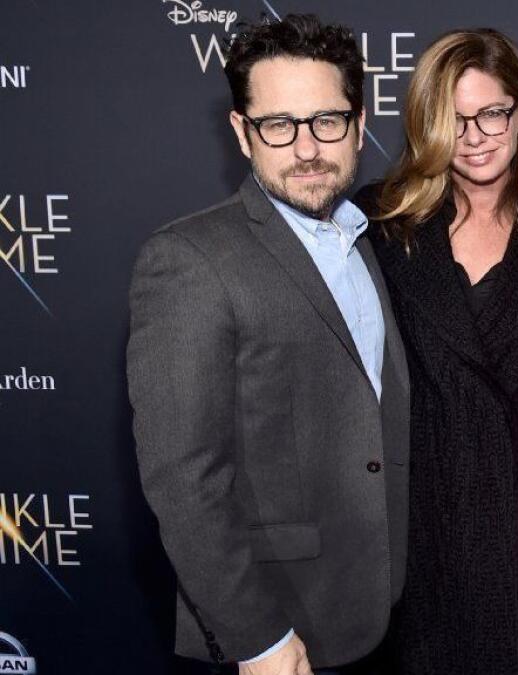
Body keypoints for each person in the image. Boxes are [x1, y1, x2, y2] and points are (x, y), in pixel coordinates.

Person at [127, 14, 409, 675]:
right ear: (241, 132)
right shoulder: (190, 258)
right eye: (278, 124)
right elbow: (184, 479)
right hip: (279, 632)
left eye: (326, 121)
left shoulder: (365, 240)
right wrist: (259, 640)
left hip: (379, 613)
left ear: (360, 123)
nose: (306, 147)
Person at [355, 28, 518, 675]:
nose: (474, 136)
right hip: (421, 534)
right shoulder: (380, 228)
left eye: (491, 113)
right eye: (454, 119)